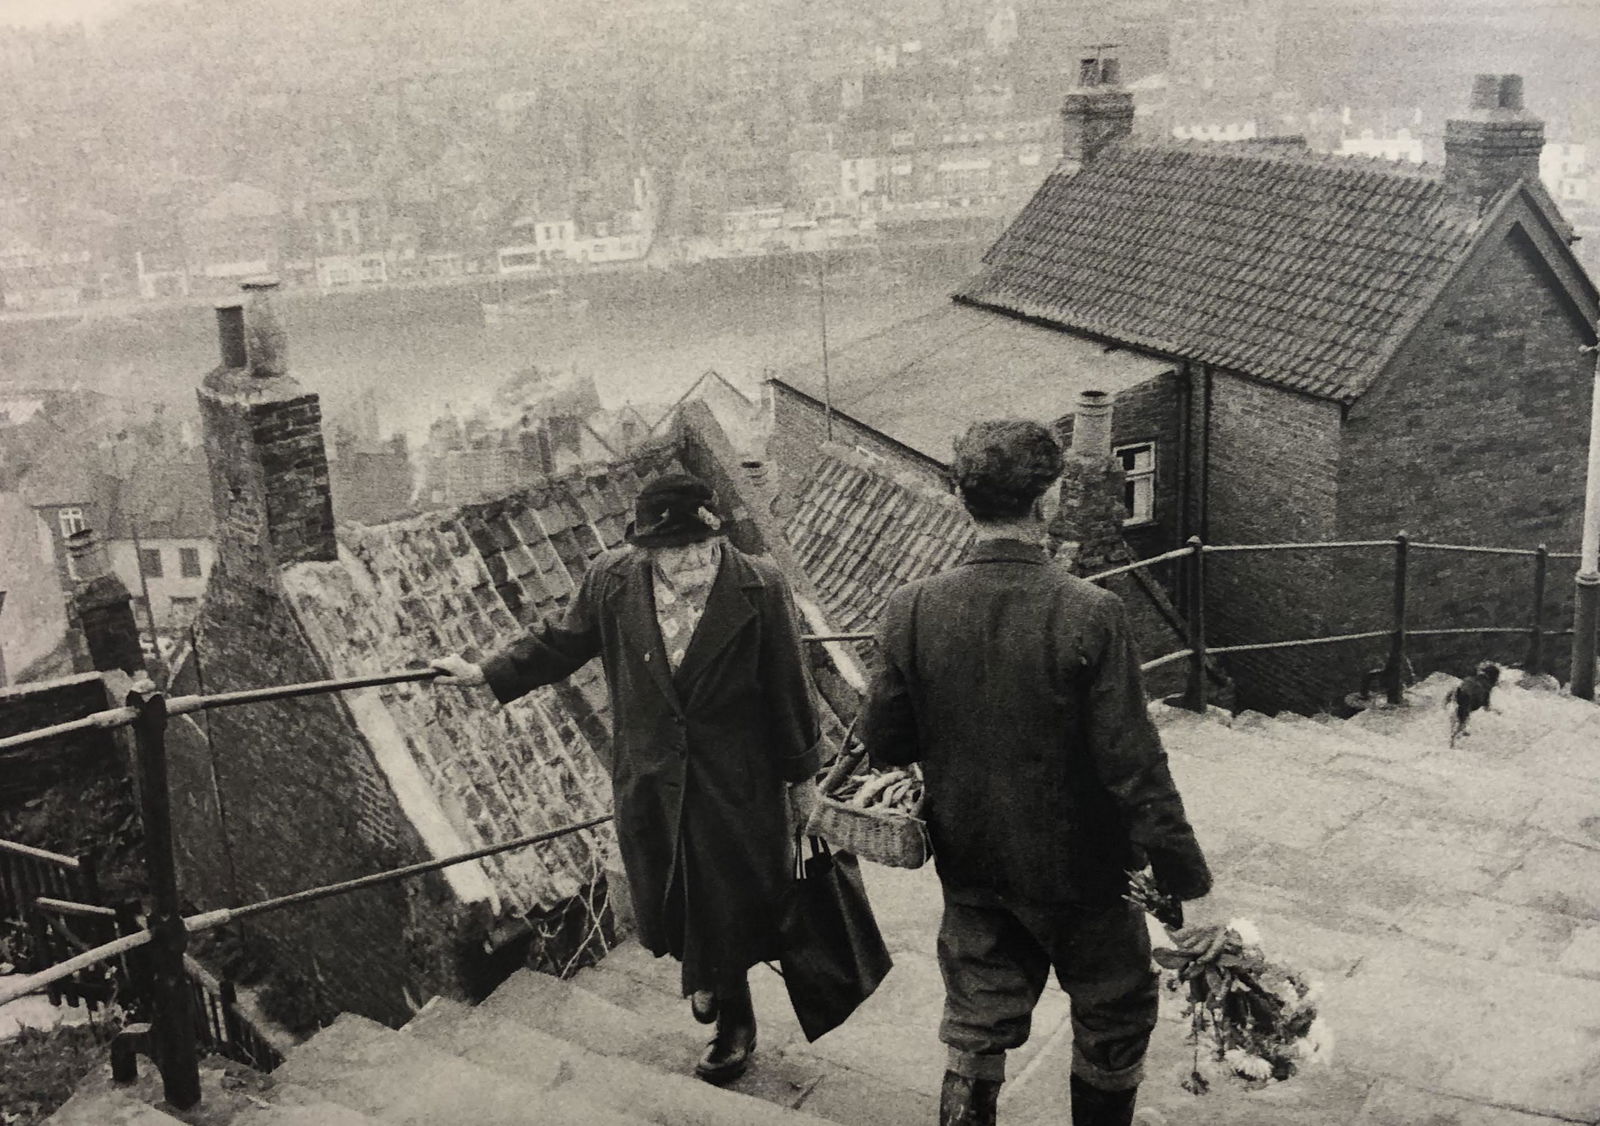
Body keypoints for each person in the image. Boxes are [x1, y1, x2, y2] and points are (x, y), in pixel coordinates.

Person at [860, 420, 1221, 1126]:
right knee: (1113, 1017)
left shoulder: (911, 607)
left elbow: (885, 741)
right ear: (1046, 503)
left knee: (976, 1021)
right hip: (1085, 874)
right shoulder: (1092, 612)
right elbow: (1135, 766)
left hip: (975, 862)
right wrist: (1191, 887)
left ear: (962, 499)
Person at [430, 472, 823, 1085]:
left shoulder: (760, 583)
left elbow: (787, 685)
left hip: (735, 779)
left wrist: (803, 779)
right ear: (646, 547)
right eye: (676, 549)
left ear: (719, 535)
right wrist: (485, 673)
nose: (693, 560)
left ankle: (733, 1014)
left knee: (729, 896)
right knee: (675, 890)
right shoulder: (613, 578)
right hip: (651, 772)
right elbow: (562, 643)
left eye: (704, 545)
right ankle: (706, 973)